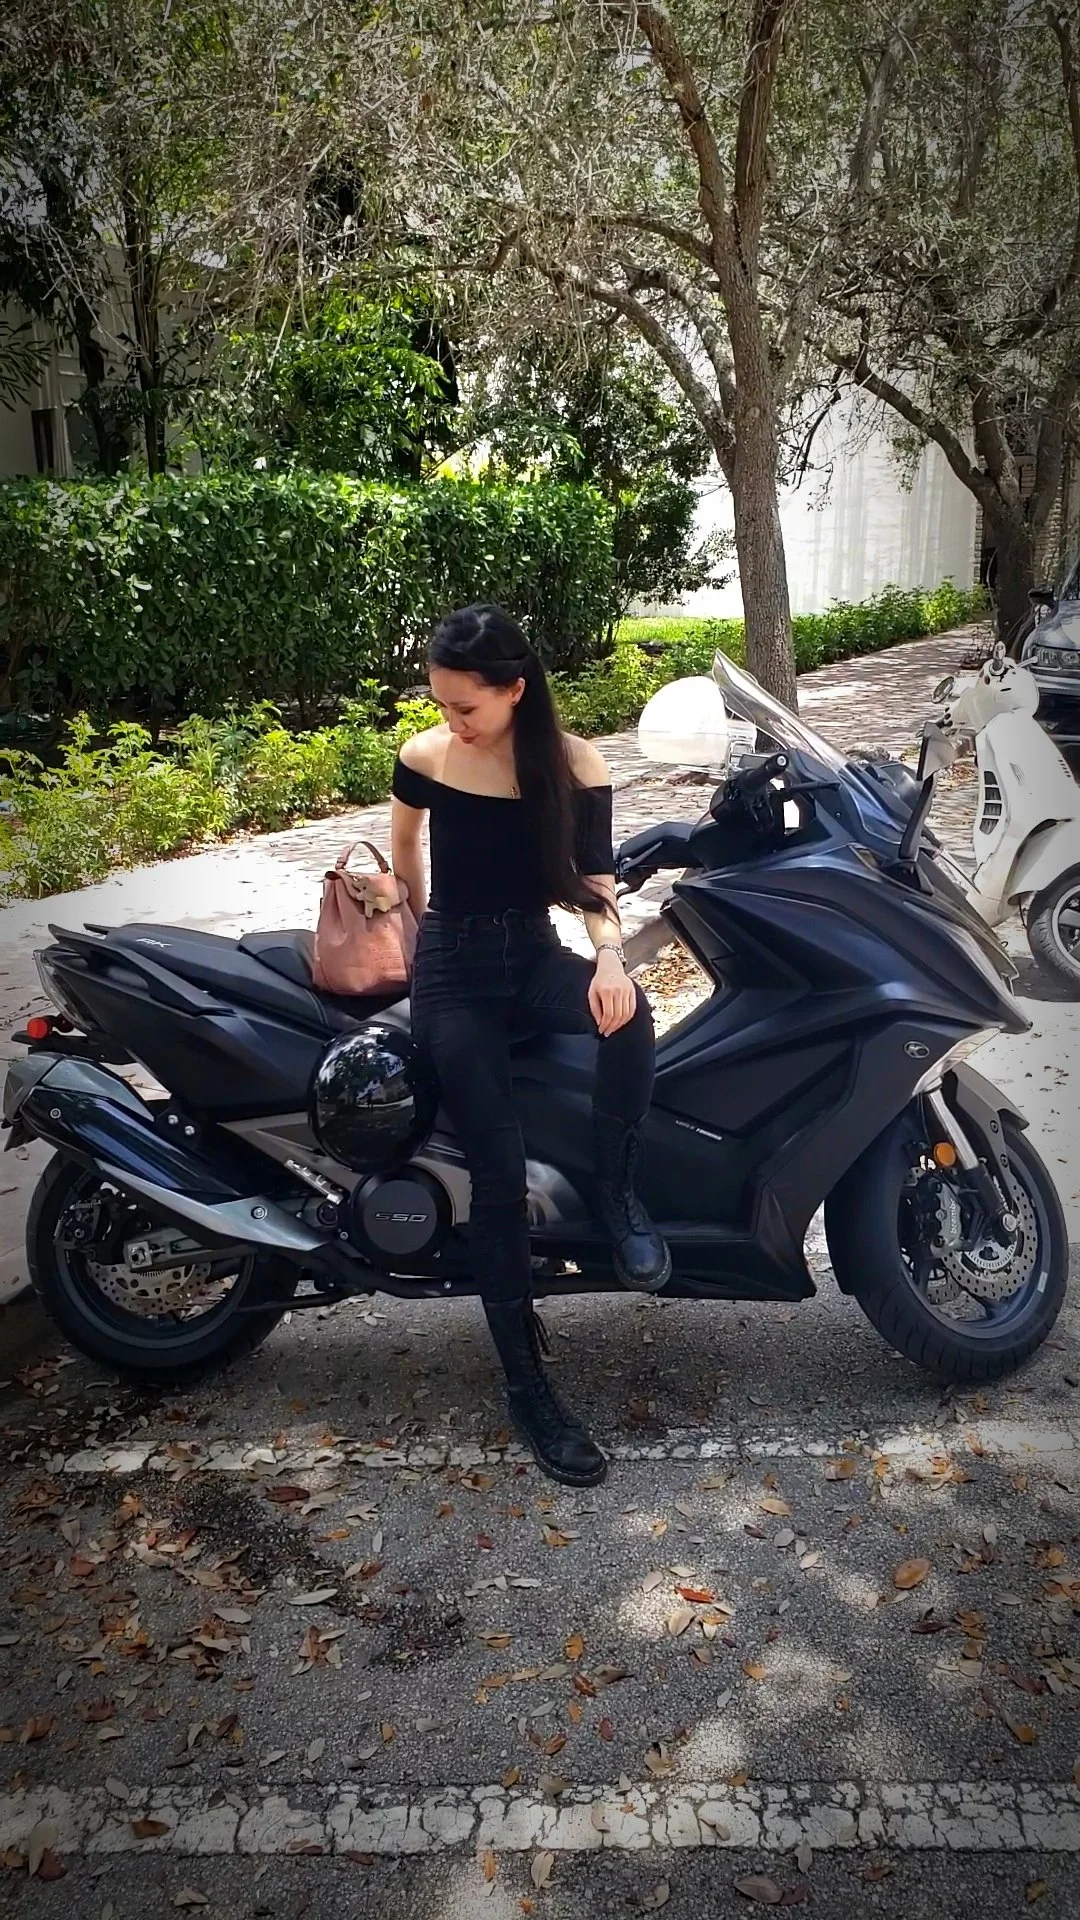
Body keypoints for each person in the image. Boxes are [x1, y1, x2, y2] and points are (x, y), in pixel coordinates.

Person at [391, 603, 670, 1487]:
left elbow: (594, 879)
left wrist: (610, 959)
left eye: (465, 705)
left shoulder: (574, 763)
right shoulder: (426, 757)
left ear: (515, 690)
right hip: (454, 975)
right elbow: (405, 849)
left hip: (532, 955)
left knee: (631, 1016)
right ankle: (527, 1386)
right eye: (439, 702)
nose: (450, 720)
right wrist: (414, 927)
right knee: (498, 1177)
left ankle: (617, 1195)